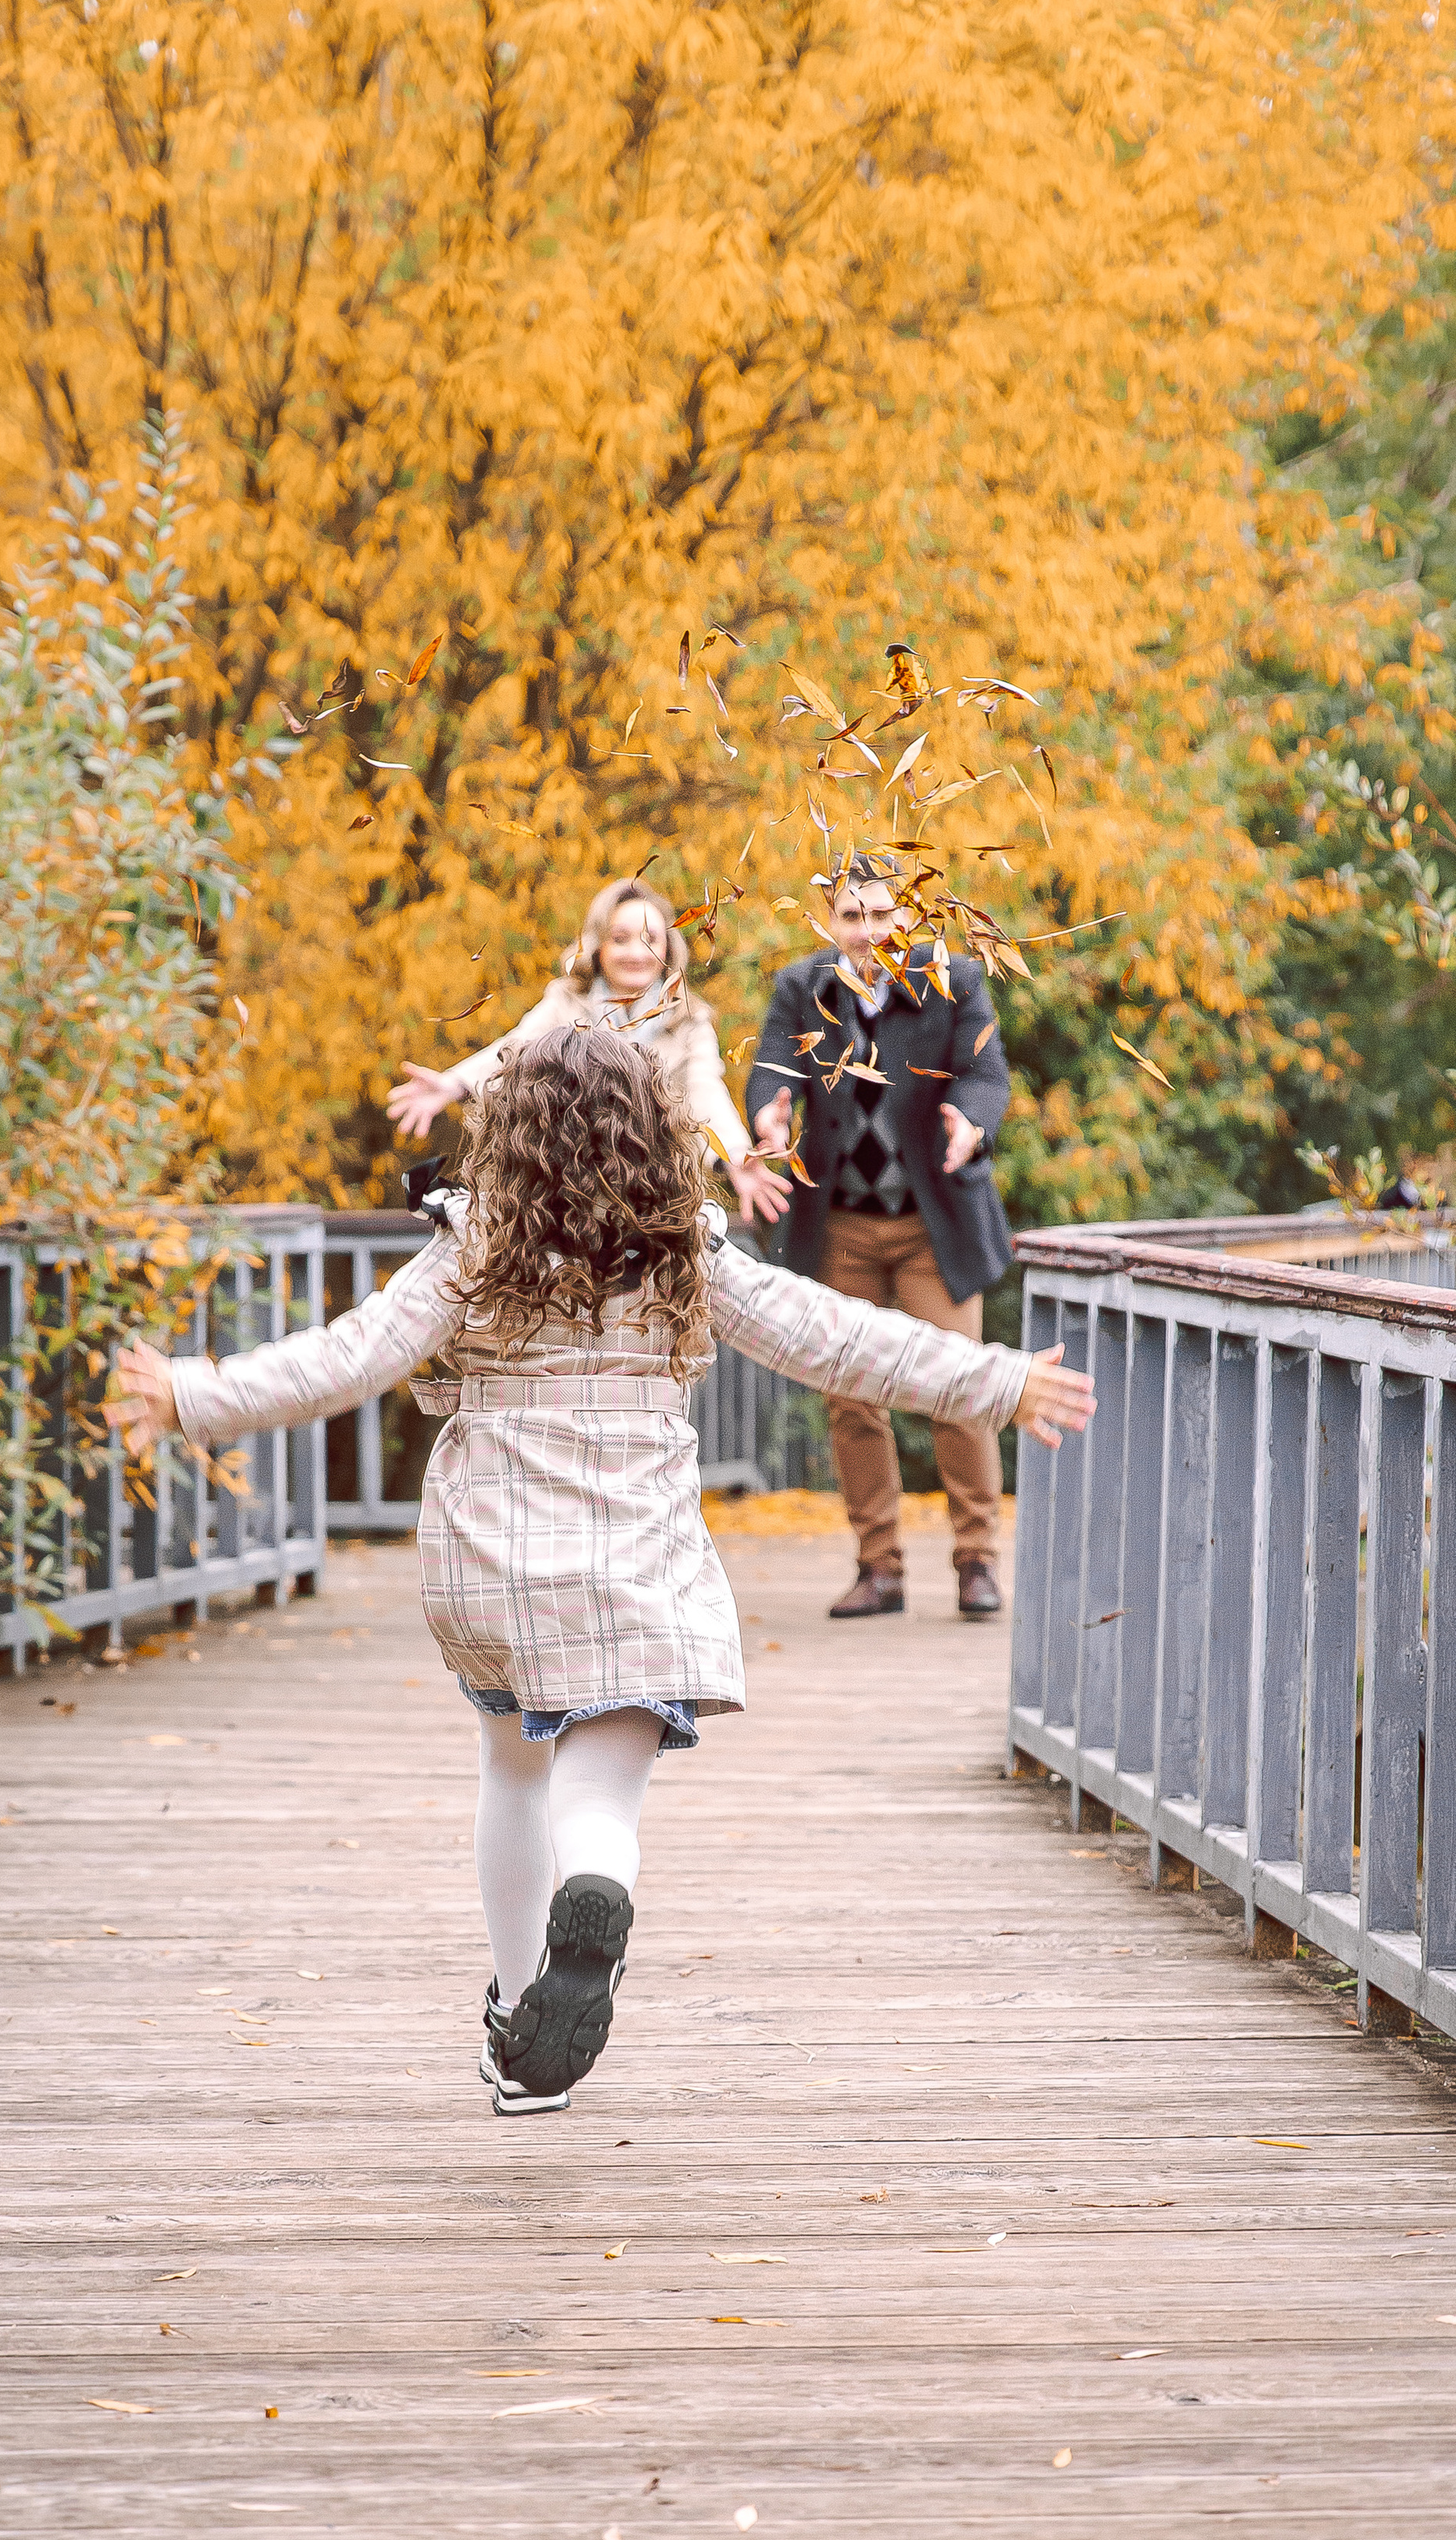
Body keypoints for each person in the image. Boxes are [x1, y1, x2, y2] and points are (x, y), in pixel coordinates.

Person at [110, 1028, 1093, 2119]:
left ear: (510, 1131)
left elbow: (345, 1356)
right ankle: (598, 1894)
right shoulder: (685, 1251)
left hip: (493, 1555)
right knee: (601, 1787)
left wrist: (194, 1393)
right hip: (634, 1555)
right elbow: (838, 1338)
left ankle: (518, 2010)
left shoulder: (471, 1246)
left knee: (511, 1763)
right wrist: (997, 1381)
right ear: (653, 1125)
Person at [745, 854, 1016, 1623]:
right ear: (828, 923)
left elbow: (985, 1072)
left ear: (909, 918)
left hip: (931, 1222)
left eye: (880, 915)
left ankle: (975, 1562)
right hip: (842, 1226)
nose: (867, 933)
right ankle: (878, 1566)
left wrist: (970, 1119)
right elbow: (771, 1069)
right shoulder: (803, 988)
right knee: (850, 1396)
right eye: (850, 917)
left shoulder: (952, 979)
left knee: (958, 1386)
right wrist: (769, 1112)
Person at [387, 877, 790, 1233]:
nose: (637, 951)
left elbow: (706, 1092)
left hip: (649, 1198)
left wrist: (735, 1156)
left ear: (669, 948)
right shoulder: (567, 1003)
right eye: (620, 938)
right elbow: (514, 1051)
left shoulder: (686, 1020)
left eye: (652, 939)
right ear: (597, 947)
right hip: (563, 1194)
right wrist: (454, 1084)